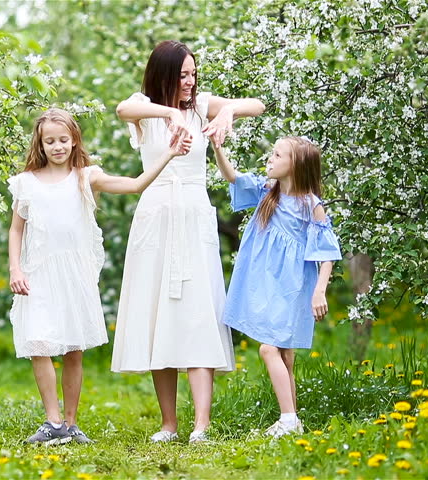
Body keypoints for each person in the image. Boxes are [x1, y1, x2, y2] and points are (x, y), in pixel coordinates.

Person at [110, 40, 265, 444]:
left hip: (193, 215)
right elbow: (124, 109)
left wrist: (228, 109)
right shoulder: (144, 109)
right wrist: (168, 114)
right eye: (182, 75)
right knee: (158, 314)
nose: (190, 81)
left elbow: (258, 104)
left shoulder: (200, 106)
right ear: (163, 74)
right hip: (156, 215)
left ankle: (201, 424)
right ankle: (168, 424)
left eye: (194, 74)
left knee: (198, 312)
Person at [8, 108, 191, 445]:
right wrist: (15, 268)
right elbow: (16, 230)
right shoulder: (26, 183)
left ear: (74, 140)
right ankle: (53, 421)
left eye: (63, 139)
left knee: (73, 348)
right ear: (41, 144)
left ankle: (71, 423)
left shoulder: (85, 177)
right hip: (37, 274)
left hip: (74, 275)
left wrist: (169, 152)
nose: (58, 146)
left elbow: (135, 185)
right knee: (39, 343)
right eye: (50, 141)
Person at [213, 136, 341, 438]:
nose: (270, 159)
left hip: (294, 287)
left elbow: (326, 253)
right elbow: (231, 176)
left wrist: (319, 291)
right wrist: (218, 148)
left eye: (277, 154)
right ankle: (292, 420)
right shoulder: (266, 192)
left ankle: (288, 419)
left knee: (269, 349)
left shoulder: (311, 205)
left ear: (295, 165)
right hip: (269, 282)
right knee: (284, 355)